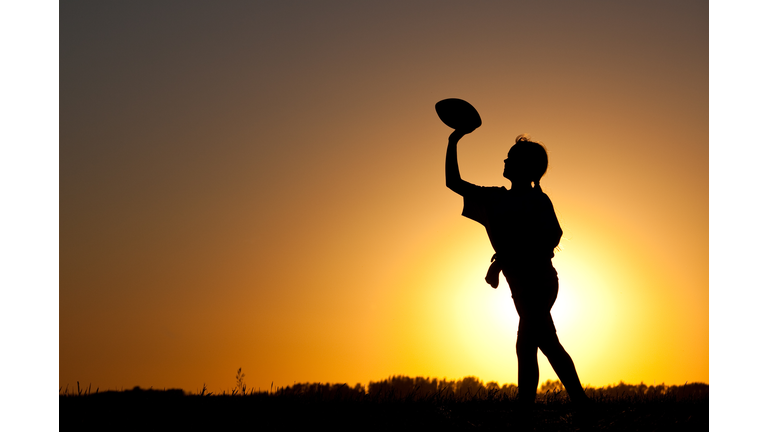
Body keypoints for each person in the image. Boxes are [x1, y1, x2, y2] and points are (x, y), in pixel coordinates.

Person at [445, 129, 589, 404]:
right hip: (520, 287)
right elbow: (453, 182)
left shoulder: (538, 200)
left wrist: (502, 261)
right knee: (546, 345)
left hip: (540, 283)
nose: (505, 161)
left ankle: (530, 414)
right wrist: (453, 141)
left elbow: (549, 239)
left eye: (510, 158)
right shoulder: (495, 198)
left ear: (525, 167)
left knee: (528, 346)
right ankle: (579, 406)